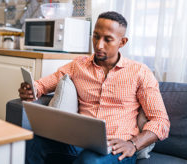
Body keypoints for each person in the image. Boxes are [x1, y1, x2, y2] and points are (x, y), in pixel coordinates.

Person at [18, 11, 170, 164]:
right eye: (96, 36)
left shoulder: (140, 72)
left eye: (108, 39)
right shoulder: (78, 65)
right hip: (78, 141)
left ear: (122, 42)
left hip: (116, 148)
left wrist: (133, 144)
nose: (98, 45)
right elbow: (43, 85)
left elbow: (161, 121)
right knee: (31, 143)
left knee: (89, 161)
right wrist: (32, 90)